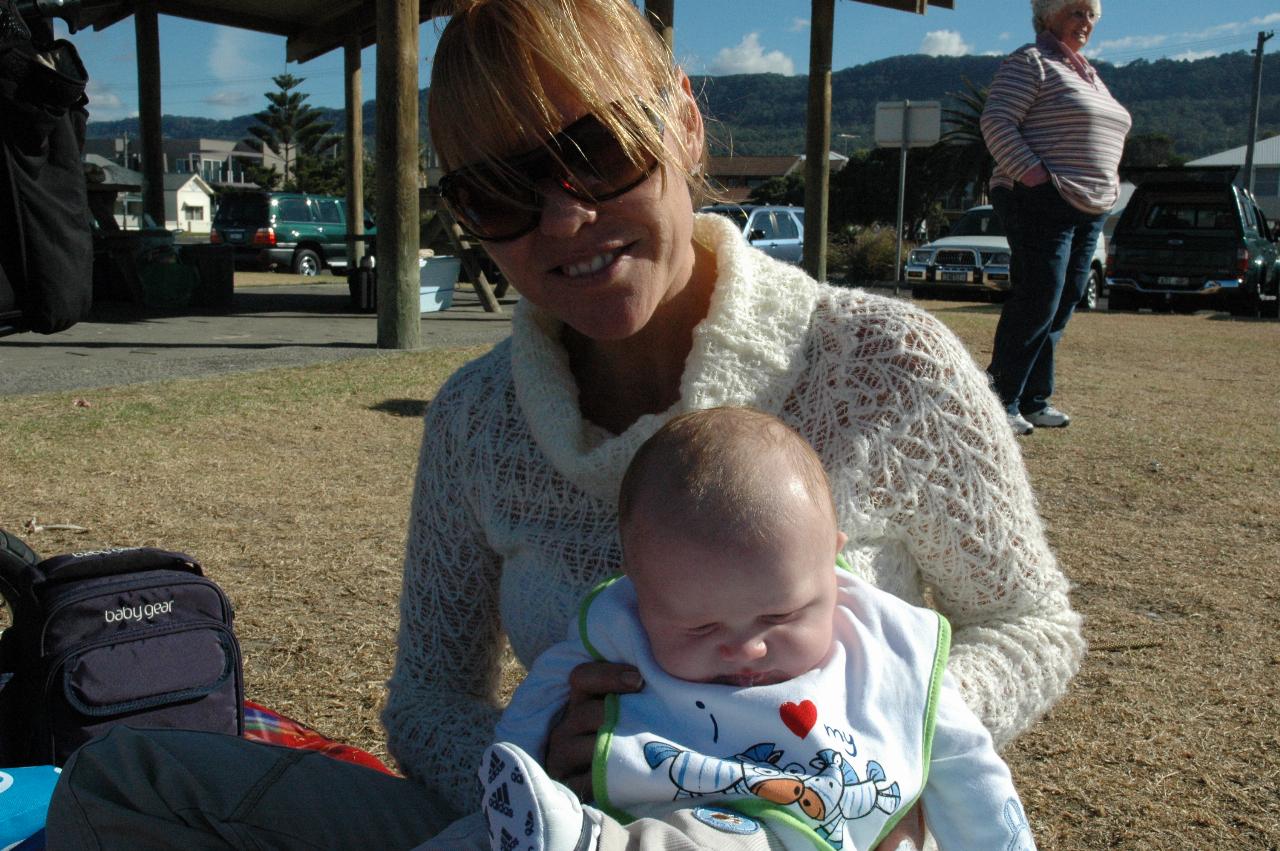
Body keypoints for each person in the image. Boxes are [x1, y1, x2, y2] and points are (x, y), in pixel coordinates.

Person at [46, 1, 1082, 848]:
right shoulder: (475, 420)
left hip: (812, 832)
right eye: (495, 191)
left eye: (593, 149)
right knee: (127, 778)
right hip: (544, 828)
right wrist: (534, 763)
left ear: (681, 120)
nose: (560, 219)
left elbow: (1033, 624)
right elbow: (427, 700)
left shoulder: (879, 363)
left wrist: (868, 747)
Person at [472, 406, 1037, 851]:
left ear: (832, 564)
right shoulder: (620, 624)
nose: (746, 647)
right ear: (638, 590)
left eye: (780, 616)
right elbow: (539, 700)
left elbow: (969, 769)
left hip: (784, 829)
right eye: (697, 626)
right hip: (638, 805)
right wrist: (517, 771)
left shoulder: (889, 646)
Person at [980, 0, 1131, 436]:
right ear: (1048, 15)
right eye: (1076, 11)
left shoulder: (1091, 75)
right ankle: (999, 401)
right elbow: (996, 121)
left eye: (1091, 15)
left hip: (1088, 207)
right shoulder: (1031, 63)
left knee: (1065, 299)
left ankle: (1033, 398)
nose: (1085, 23)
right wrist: (1035, 178)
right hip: (1040, 198)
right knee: (1039, 296)